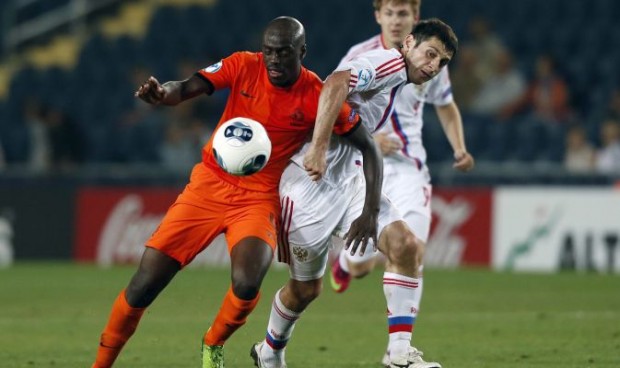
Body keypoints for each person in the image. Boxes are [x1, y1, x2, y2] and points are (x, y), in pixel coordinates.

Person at [91, 16, 364, 368]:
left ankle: (212, 343)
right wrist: (164, 95)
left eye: (283, 52)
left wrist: (368, 205)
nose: (274, 60)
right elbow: (189, 86)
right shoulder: (243, 65)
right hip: (208, 186)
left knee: (248, 282)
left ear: (302, 51)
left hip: (259, 197)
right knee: (144, 284)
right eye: (269, 52)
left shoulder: (316, 95)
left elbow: (364, 141)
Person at [250, 18, 462, 368]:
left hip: (348, 180)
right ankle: (269, 352)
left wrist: (369, 209)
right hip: (309, 186)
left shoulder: (400, 80)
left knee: (405, 245)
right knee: (305, 290)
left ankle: (399, 354)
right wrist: (318, 147)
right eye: (430, 53)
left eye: (442, 62)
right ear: (408, 44)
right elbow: (335, 82)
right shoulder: (387, 62)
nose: (433, 66)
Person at [329, 1, 474, 365]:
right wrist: (367, 139)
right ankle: (347, 265)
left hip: (409, 169)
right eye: (390, 13)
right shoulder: (360, 55)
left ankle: (398, 352)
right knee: (363, 266)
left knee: (411, 251)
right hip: (363, 164)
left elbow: (446, 105)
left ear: (414, 21)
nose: (396, 21)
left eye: (403, 14)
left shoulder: (431, 57)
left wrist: (459, 147)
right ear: (379, 16)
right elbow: (333, 103)